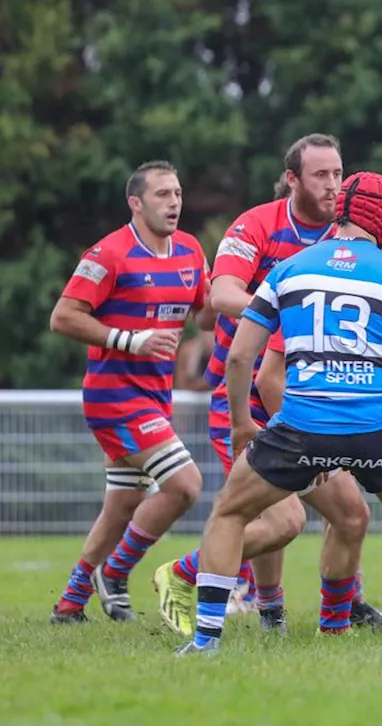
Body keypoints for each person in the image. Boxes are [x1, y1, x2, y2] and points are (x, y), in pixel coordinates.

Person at [176, 171, 382, 655]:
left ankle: (206, 640)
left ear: (339, 211)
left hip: (301, 425)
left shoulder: (291, 269)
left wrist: (242, 423)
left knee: (230, 511)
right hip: (376, 425)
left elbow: (239, 359)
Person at [48, 161, 211, 624]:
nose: (174, 202)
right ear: (135, 203)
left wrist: (250, 298)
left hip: (155, 397)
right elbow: (63, 316)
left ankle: (70, 603)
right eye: (162, 194)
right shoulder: (110, 253)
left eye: (177, 193)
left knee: (122, 505)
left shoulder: (189, 251)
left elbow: (206, 314)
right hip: (114, 397)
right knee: (185, 486)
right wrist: (129, 339)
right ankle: (115, 572)